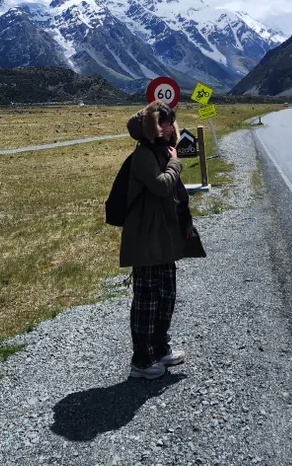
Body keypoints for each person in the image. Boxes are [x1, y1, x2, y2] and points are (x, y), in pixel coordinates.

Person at [120, 100, 191, 379]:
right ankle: (142, 359)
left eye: (171, 120)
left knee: (166, 296)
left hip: (161, 237)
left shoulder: (160, 150)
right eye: (164, 120)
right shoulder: (144, 154)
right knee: (147, 300)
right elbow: (161, 186)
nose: (170, 125)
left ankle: (160, 349)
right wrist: (175, 164)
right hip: (146, 238)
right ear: (153, 126)